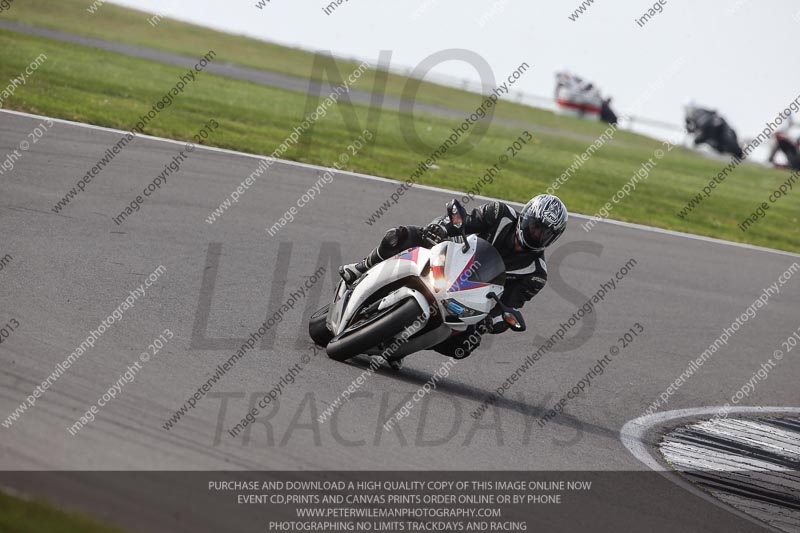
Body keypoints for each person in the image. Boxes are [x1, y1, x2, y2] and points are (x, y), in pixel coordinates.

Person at [339, 194, 568, 359]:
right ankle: (361, 267)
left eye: (545, 233)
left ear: (553, 238)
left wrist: (492, 321)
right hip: (450, 258)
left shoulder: (535, 274)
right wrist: (442, 228)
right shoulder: (500, 213)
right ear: (525, 217)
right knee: (400, 236)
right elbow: (464, 221)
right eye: (535, 226)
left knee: (465, 346)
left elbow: (509, 306)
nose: (536, 234)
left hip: (470, 298)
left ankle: (403, 348)